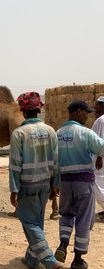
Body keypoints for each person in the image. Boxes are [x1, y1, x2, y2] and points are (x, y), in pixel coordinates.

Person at [9, 91, 63, 269]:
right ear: (39, 110)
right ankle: (32, 259)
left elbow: (15, 165)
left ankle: (49, 260)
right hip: (45, 185)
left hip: (27, 185)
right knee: (37, 220)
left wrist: (14, 189)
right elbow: (56, 161)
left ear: (23, 112)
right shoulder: (51, 131)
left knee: (29, 222)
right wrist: (55, 185)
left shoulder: (19, 133)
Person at [55, 100, 104, 269]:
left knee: (66, 214)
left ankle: (62, 244)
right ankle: (77, 259)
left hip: (65, 183)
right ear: (77, 112)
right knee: (84, 219)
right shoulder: (85, 133)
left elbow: (54, 161)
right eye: (86, 112)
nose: (88, 116)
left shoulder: (58, 134)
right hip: (84, 182)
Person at [92, 96, 104, 218]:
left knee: (97, 182)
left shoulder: (101, 120)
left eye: (97, 105)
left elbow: (101, 140)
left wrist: (100, 157)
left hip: (100, 158)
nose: (95, 108)